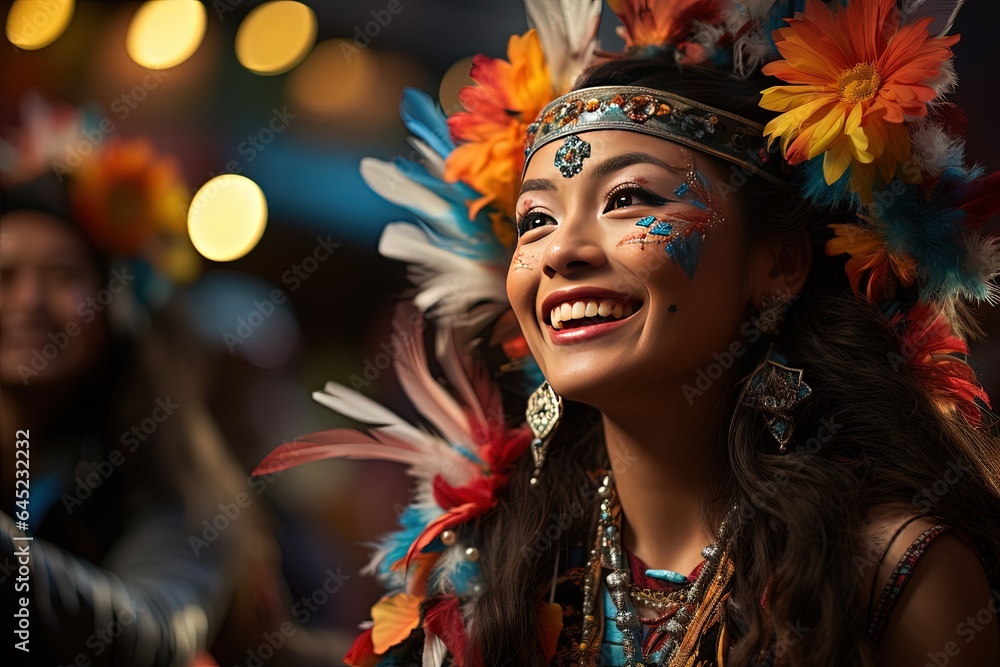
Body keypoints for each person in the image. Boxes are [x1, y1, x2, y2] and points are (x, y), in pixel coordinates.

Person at [255, 1, 1000, 665]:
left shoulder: (896, 576)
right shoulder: (491, 565)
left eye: (629, 198)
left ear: (779, 264)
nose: (561, 252)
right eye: (536, 219)